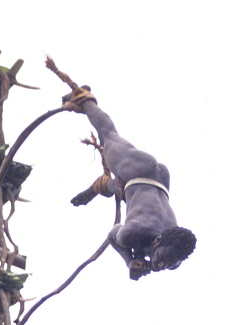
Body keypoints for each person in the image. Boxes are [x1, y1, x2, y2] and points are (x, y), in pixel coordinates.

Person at [64, 87, 196, 280]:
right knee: (108, 135)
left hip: (153, 184)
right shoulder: (135, 231)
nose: (160, 265)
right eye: (161, 258)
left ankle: (99, 187)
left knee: (121, 189)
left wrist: (142, 259)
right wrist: (129, 261)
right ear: (158, 240)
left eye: (167, 264)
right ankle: (85, 99)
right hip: (139, 169)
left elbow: (163, 257)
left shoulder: (174, 258)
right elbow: (113, 234)